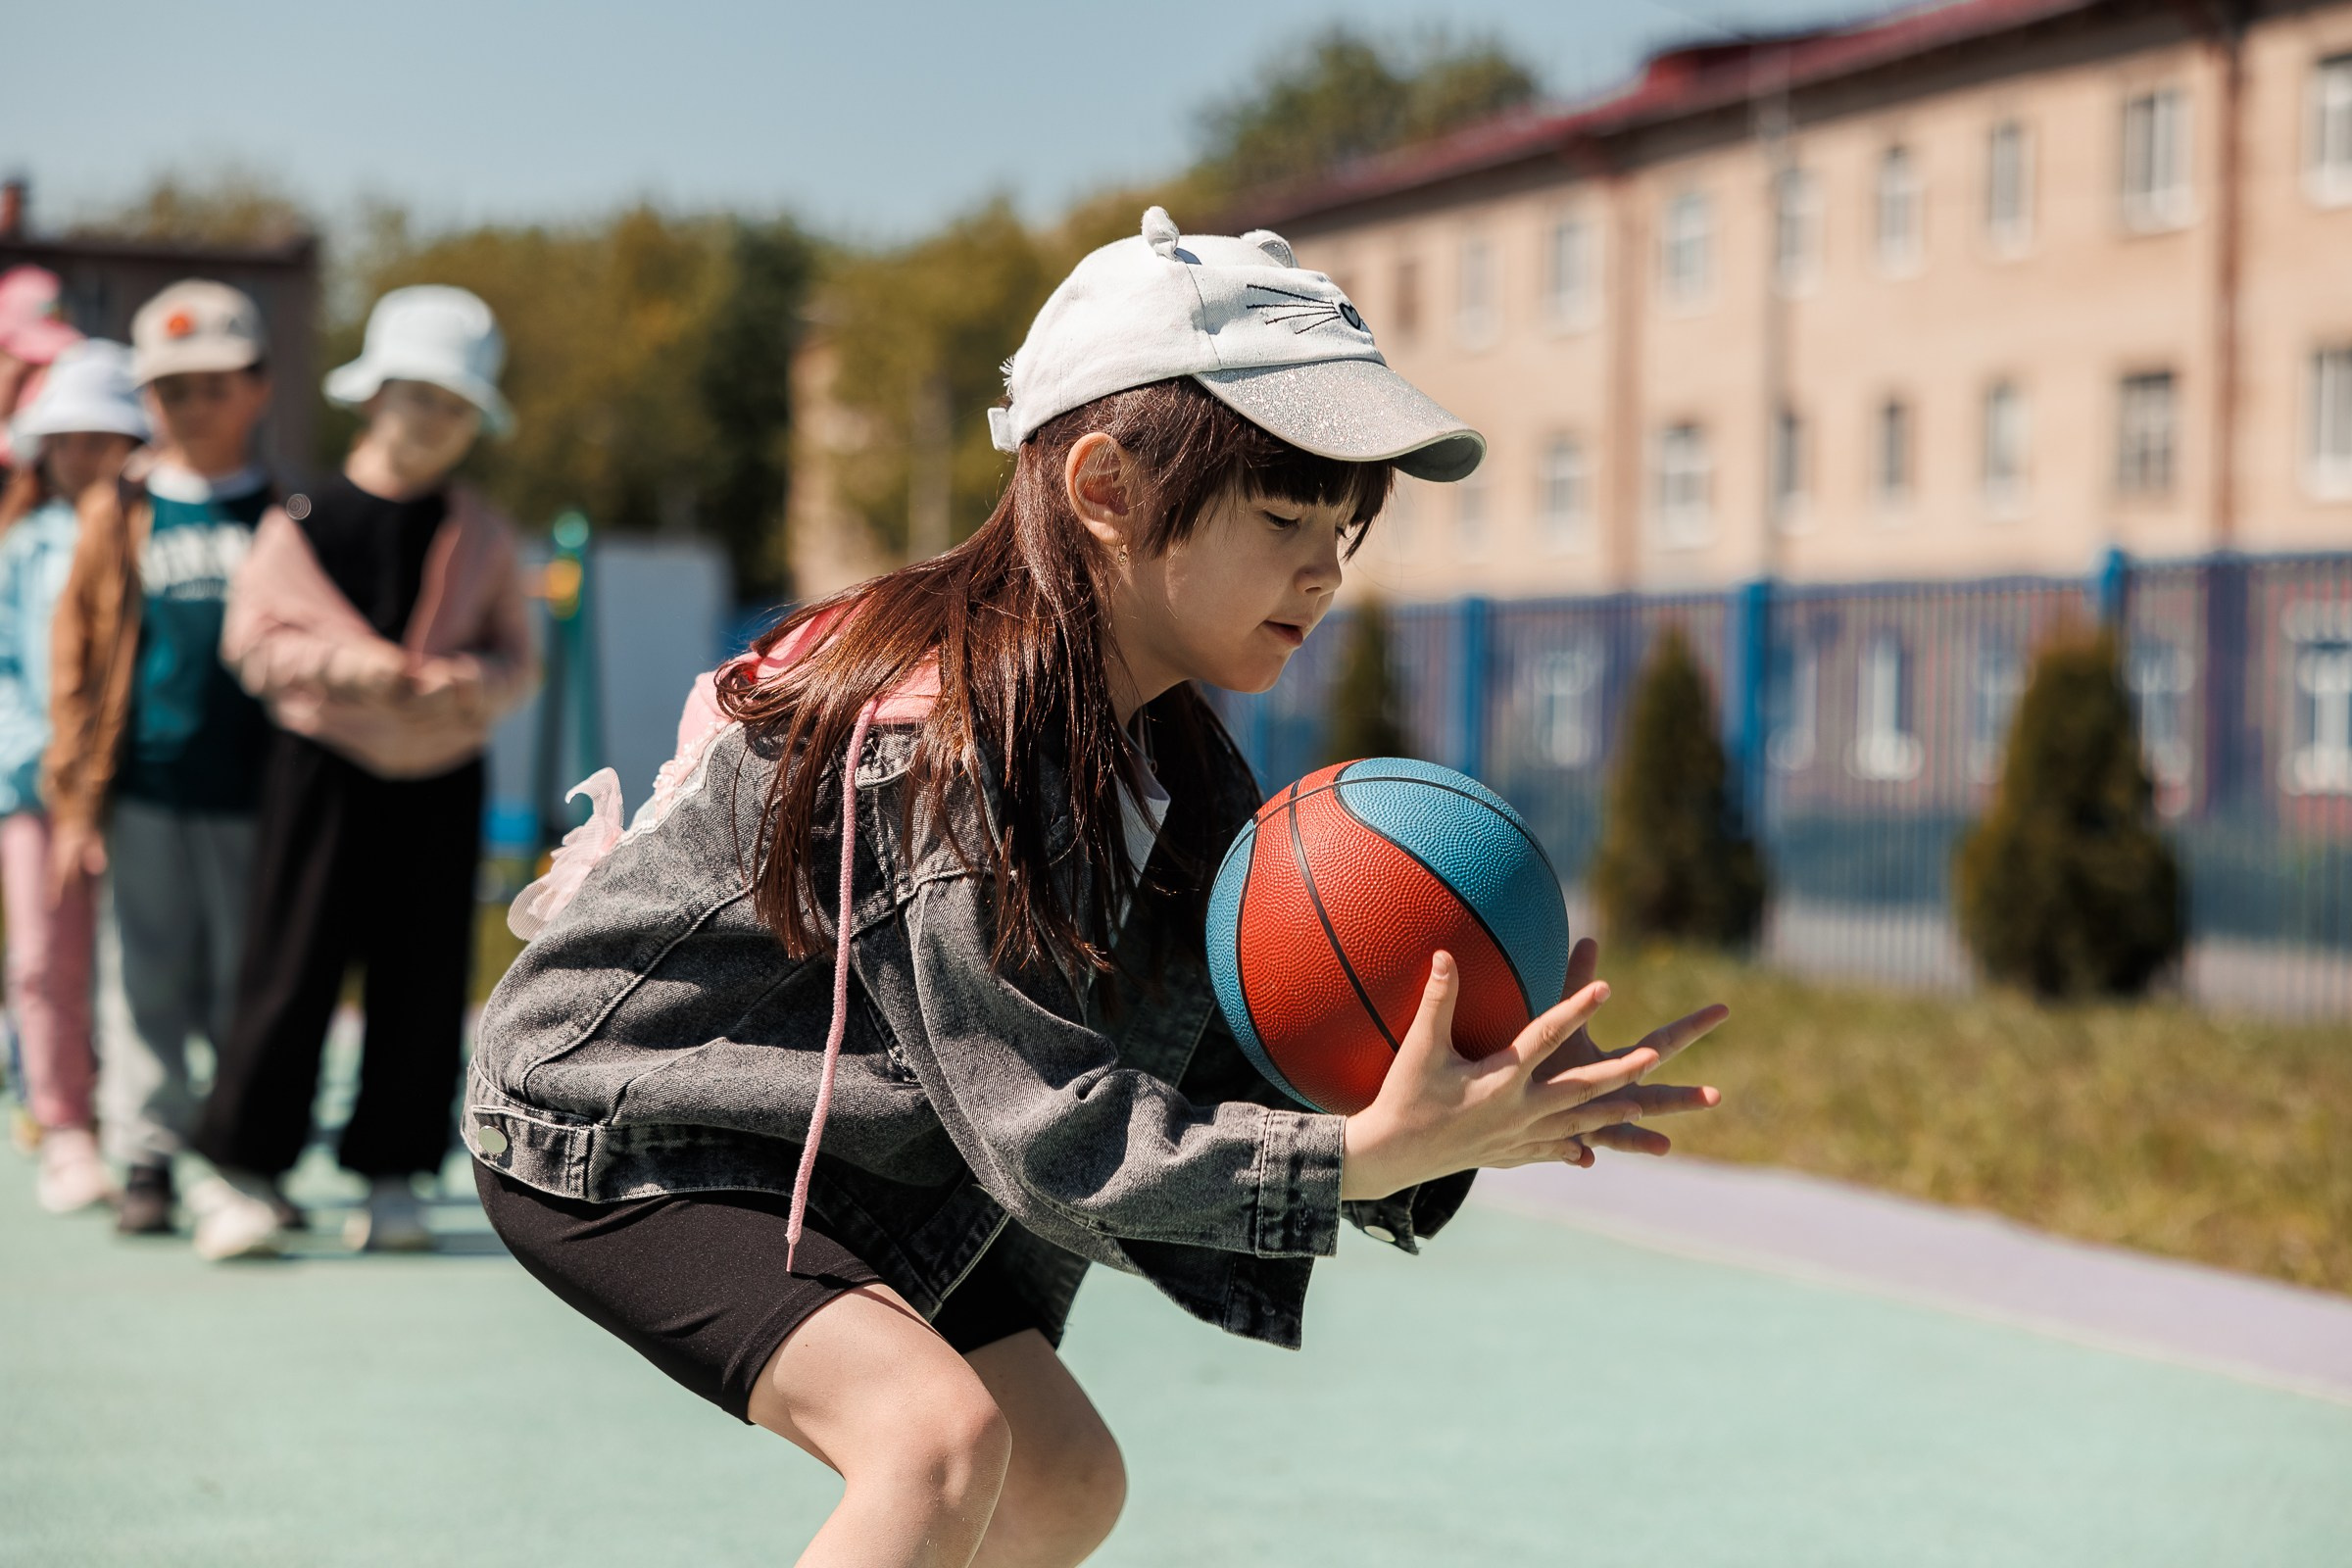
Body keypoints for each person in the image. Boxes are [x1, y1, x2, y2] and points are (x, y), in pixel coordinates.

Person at [467, 210, 1728, 1568]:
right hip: (626, 1124)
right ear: (1105, 487)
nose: (1327, 568)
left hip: (857, 1133)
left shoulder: (1184, 772)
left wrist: (1472, 1097)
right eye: (1288, 514)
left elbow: (1227, 1064)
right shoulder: (932, 746)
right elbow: (1048, 1134)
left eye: (1348, 527)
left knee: (1062, 1481)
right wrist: (1352, 1158)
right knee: (935, 1445)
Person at [188, 285, 537, 1260]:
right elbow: (253, 641)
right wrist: (353, 669)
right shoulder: (298, 519)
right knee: (289, 966)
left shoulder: (482, 531)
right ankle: (245, 1170)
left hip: (440, 775)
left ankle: (393, 1175)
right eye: (417, 396)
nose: (432, 422)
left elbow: (519, 658)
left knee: (423, 972)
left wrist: (461, 686)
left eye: (455, 406)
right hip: (320, 767)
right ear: (372, 395)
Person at [45, 280, 277, 1237]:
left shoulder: (286, 508)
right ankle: (145, 1150)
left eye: (212, 385)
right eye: (171, 389)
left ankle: (236, 1152)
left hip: (255, 789)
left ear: (256, 387)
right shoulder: (124, 508)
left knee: (243, 980)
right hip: (142, 782)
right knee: (142, 976)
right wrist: (73, 797)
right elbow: (79, 650)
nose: (191, 407)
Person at [0, 341, 147, 1212]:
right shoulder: (27, 543)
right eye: (70, 439)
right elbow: (6, 664)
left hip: (134, 788)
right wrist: (43, 766)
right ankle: (63, 1122)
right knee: (43, 958)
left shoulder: (148, 531)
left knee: (134, 961)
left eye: (104, 438)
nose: (85, 456)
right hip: (33, 789)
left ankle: (134, 1120)